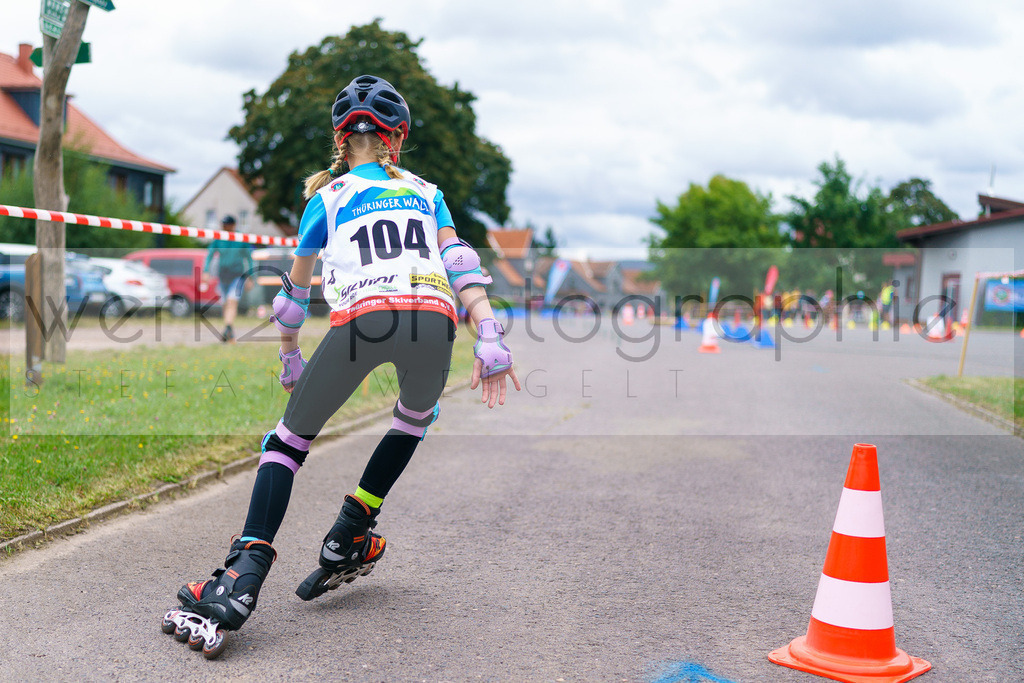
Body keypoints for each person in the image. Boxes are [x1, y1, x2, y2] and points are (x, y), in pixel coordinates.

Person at [162, 75, 521, 659]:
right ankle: (352, 528)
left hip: (364, 317)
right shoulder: (427, 191)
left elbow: (291, 301)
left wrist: (290, 357)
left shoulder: (326, 199)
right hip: (435, 318)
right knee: (412, 420)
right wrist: (489, 331)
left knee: (286, 443)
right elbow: (458, 260)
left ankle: (243, 573)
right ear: (395, 139)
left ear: (340, 141)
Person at [202, 217, 255, 342]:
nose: (225, 228)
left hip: (237, 275)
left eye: (227, 225)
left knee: (232, 301)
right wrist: (206, 271)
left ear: (233, 225)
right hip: (223, 275)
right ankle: (228, 329)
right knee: (225, 303)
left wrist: (250, 277)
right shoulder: (219, 238)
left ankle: (228, 328)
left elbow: (249, 258)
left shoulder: (241, 238)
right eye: (223, 225)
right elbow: (210, 254)